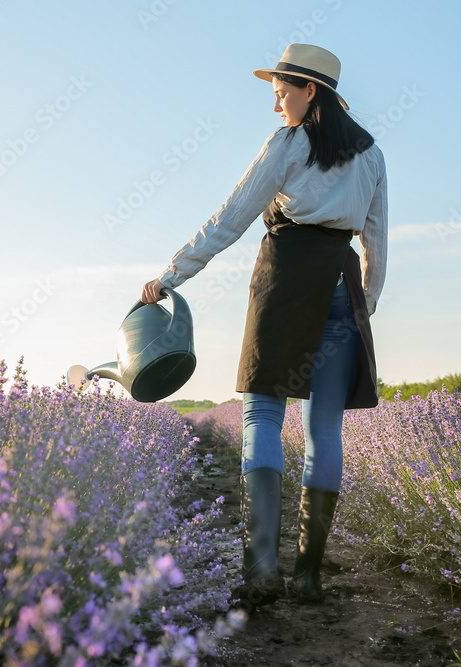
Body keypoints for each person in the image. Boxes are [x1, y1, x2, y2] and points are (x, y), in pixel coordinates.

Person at [141, 43, 387, 608]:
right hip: (340, 285)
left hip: (285, 279)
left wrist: (172, 275)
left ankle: (262, 571)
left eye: (281, 94)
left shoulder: (289, 144)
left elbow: (231, 216)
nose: (276, 106)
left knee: (261, 411)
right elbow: (376, 240)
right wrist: (362, 305)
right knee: (324, 427)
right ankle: (308, 576)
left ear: (309, 91)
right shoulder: (372, 155)